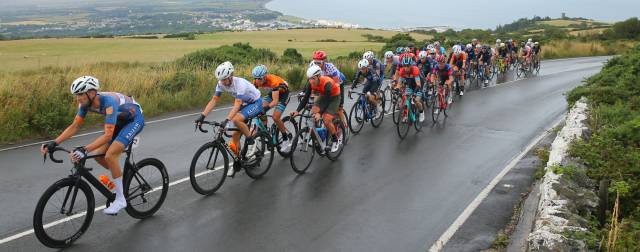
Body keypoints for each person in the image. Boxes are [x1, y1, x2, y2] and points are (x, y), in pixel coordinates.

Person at [40, 76, 144, 215]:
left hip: (133, 119)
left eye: (80, 94)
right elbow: (75, 126)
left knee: (110, 155)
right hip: (119, 120)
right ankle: (120, 180)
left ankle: (120, 199)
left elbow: (107, 135)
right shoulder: (84, 104)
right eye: (76, 95)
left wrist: (85, 149)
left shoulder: (108, 102)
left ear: (91, 93)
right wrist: (55, 142)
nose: (78, 98)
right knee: (98, 157)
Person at [195, 61, 262, 175]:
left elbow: (237, 104)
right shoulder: (221, 83)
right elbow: (214, 100)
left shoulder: (239, 84)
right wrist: (202, 116)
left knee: (235, 119)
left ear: (231, 76)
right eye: (221, 79)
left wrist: (227, 120)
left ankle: (251, 142)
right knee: (234, 139)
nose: (223, 82)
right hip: (244, 104)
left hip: (256, 102)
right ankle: (238, 162)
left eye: (225, 79)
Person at [291, 65, 342, 152]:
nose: (311, 81)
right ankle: (319, 137)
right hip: (324, 95)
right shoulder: (310, 84)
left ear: (318, 76)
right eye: (309, 79)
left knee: (326, 119)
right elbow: (305, 98)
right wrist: (297, 111)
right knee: (312, 114)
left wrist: (320, 113)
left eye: (313, 78)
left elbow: (327, 101)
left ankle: (335, 139)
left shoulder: (327, 83)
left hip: (334, 97)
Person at [251, 64, 292, 152]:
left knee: (275, 117)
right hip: (273, 93)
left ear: (265, 77)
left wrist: (265, 109)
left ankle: (285, 138)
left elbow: (275, 101)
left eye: (260, 79)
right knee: (260, 107)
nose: (258, 81)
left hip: (284, 95)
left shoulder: (273, 81)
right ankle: (265, 130)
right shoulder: (256, 81)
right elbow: (252, 96)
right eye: (256, 78)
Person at [310, 51, 348, 136]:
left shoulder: (330, 67)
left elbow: (336, 83)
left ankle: (344, 126)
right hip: (327, 87)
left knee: (338, 108)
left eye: (318, 62)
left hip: (338, 84)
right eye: (315, 62)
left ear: (324, 61)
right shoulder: (315, 68)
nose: (316, 64)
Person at [394, 57, 425, 122]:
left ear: (411, 65)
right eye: (404, 66)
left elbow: (418, 84)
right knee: (406, 99)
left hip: (418, 85)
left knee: (416, 100)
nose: (406, 68)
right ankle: (405, 115)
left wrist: (415, 93)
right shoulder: (402, 71)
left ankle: (421, 113)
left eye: (408, 66)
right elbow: (399, 83)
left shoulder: (415, 69)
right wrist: (397, 89)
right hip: (410, 85)